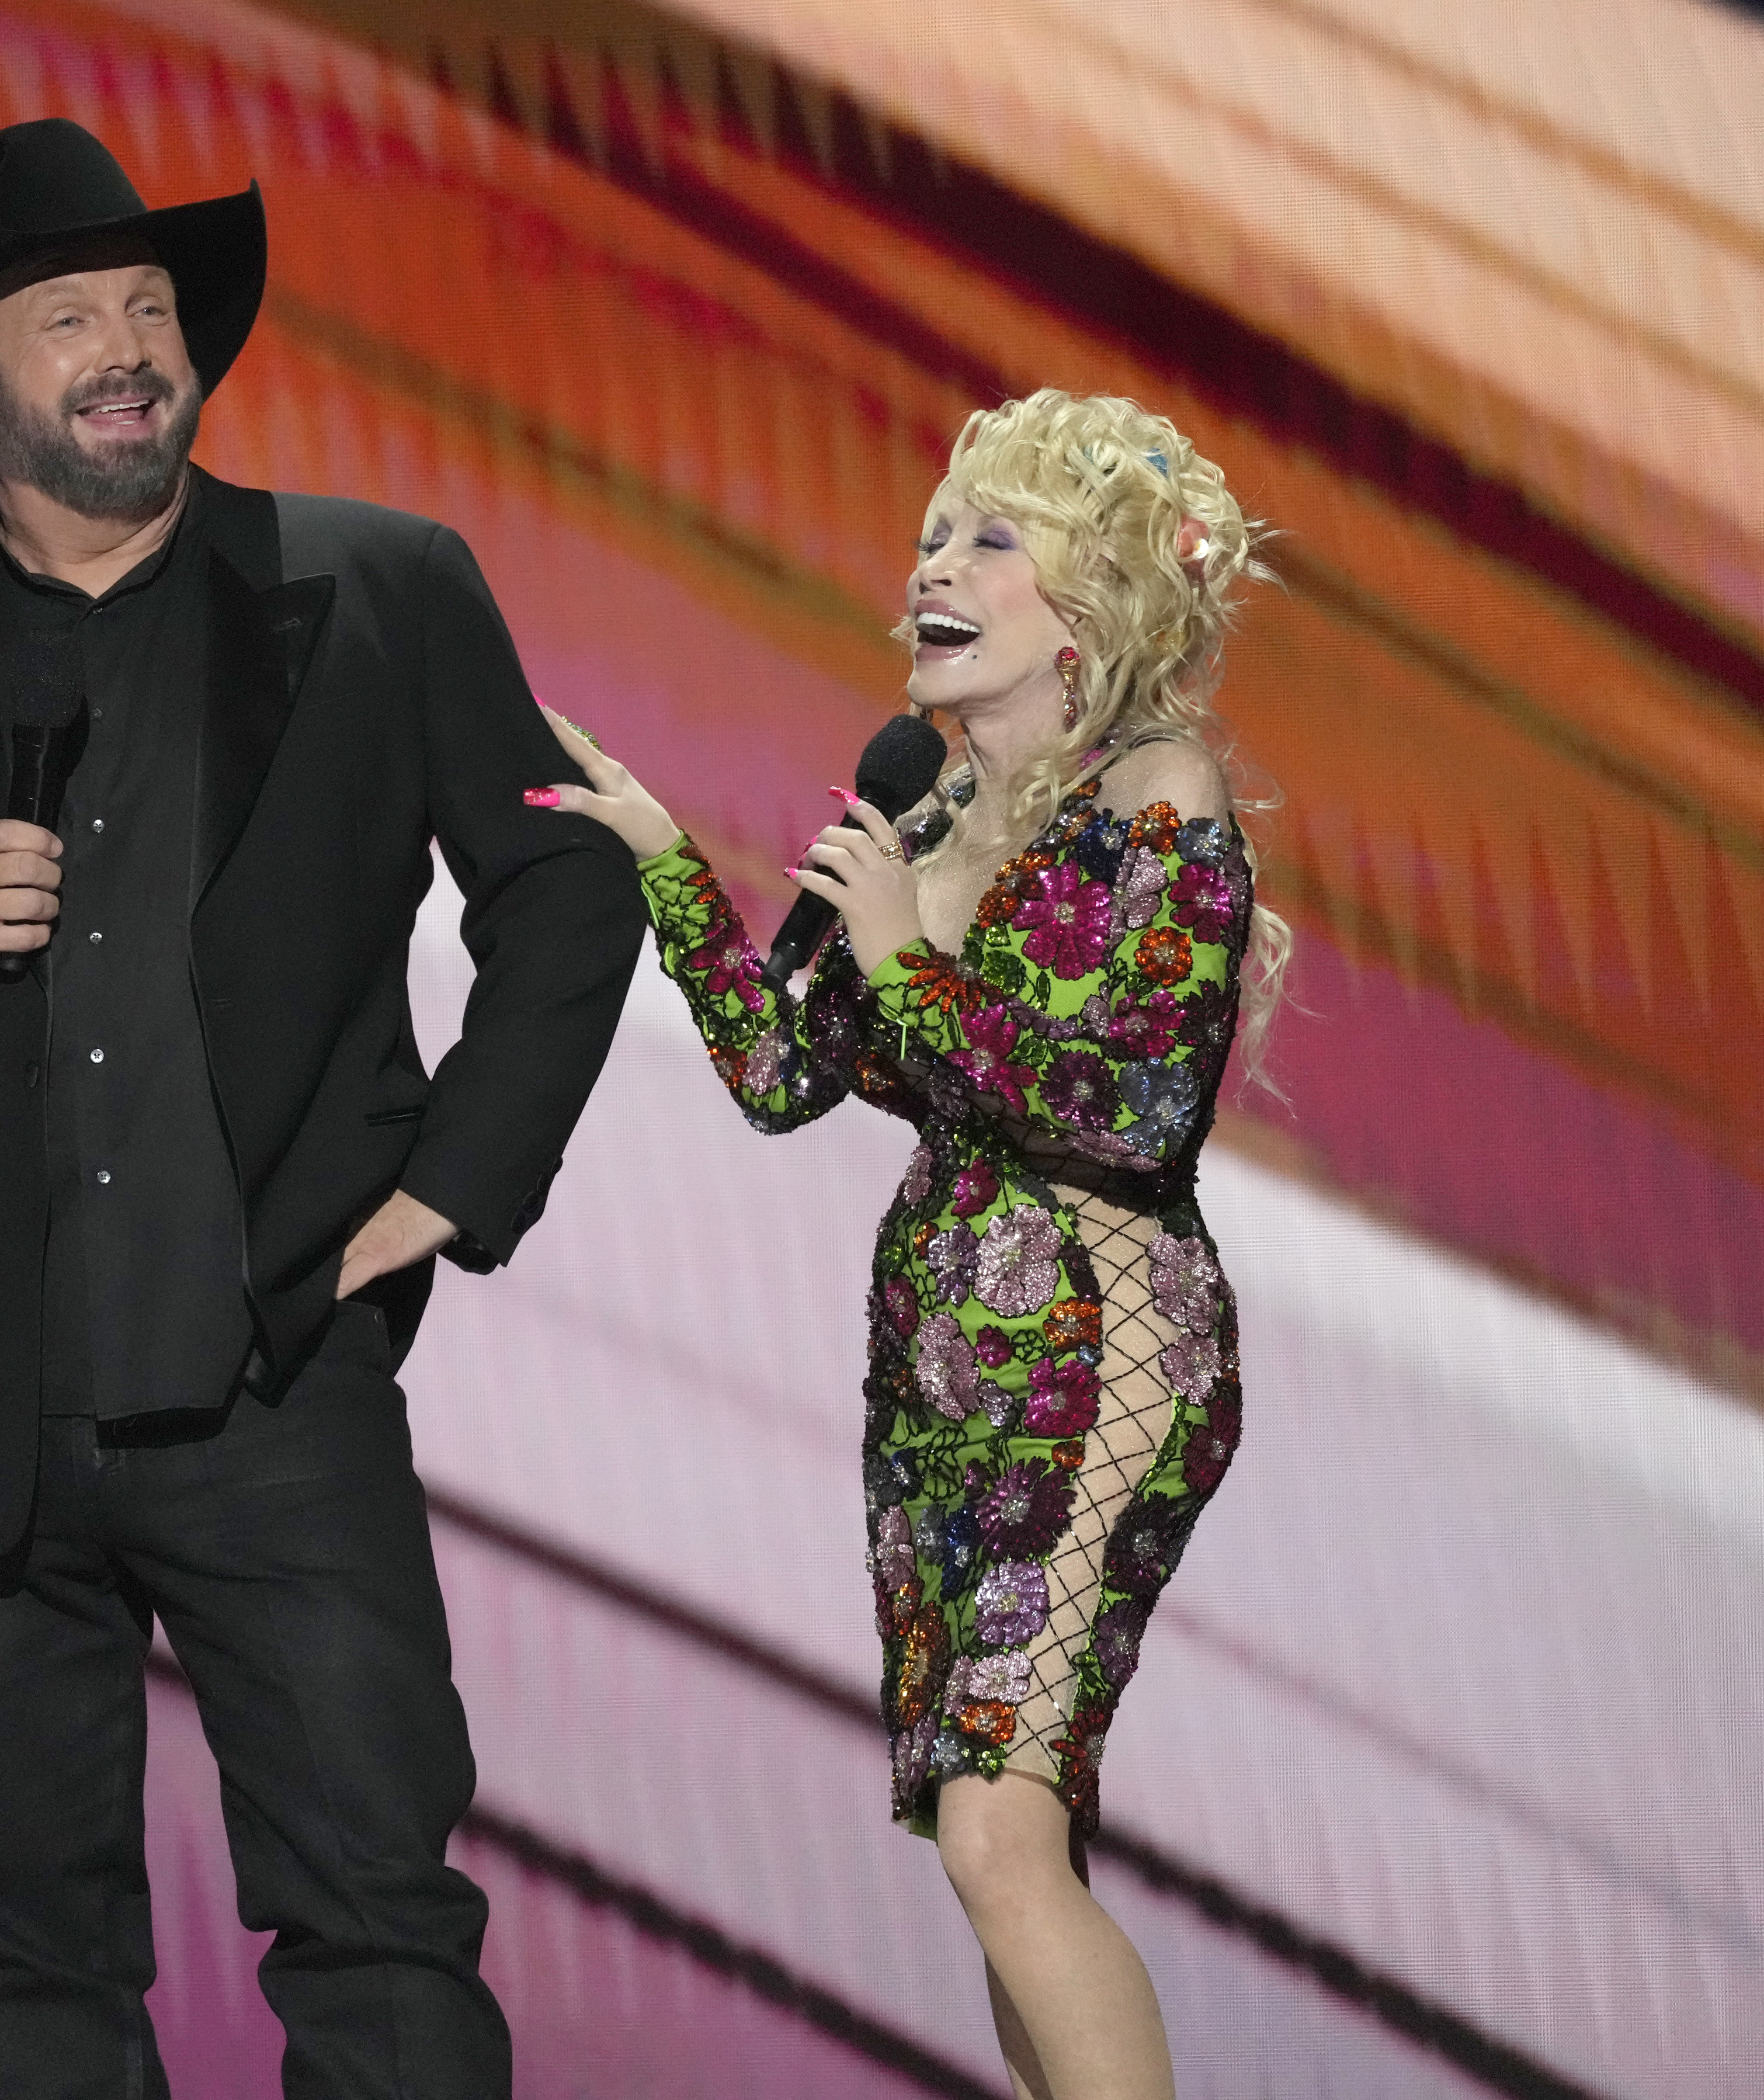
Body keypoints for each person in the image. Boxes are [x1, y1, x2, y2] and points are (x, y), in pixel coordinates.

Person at [0, 117, 643, 2099]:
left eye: (149, 310)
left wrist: (453, 1183)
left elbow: (568, 885)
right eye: (70, 320)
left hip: (273, 1383)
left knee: (381, 1928)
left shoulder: (379, 589)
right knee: (24, 1969)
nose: (128, 348)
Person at [533, 390, 1288, 2100]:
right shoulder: (923, 817)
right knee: (1002, 1841)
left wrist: (906, 960)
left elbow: (1133, 1107)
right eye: (933, 536)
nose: (931, 567)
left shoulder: (1156, 794)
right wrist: (665, 860)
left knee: (996, 1836)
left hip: (1102, 1356)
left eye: (988, 540)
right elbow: (780, 1077)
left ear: (1089, 605)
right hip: (939, 1385)